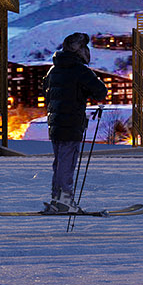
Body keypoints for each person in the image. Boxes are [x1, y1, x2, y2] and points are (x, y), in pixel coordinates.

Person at [42, 32, 107, 213]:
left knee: (60, 162)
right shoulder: (80, 70)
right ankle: (64, 201)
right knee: (67, 162)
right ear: (79, 51)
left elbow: (46, 91)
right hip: (71, 123)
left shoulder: (53, 70)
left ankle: (57, 199)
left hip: (54, 122)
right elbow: (100, 91)